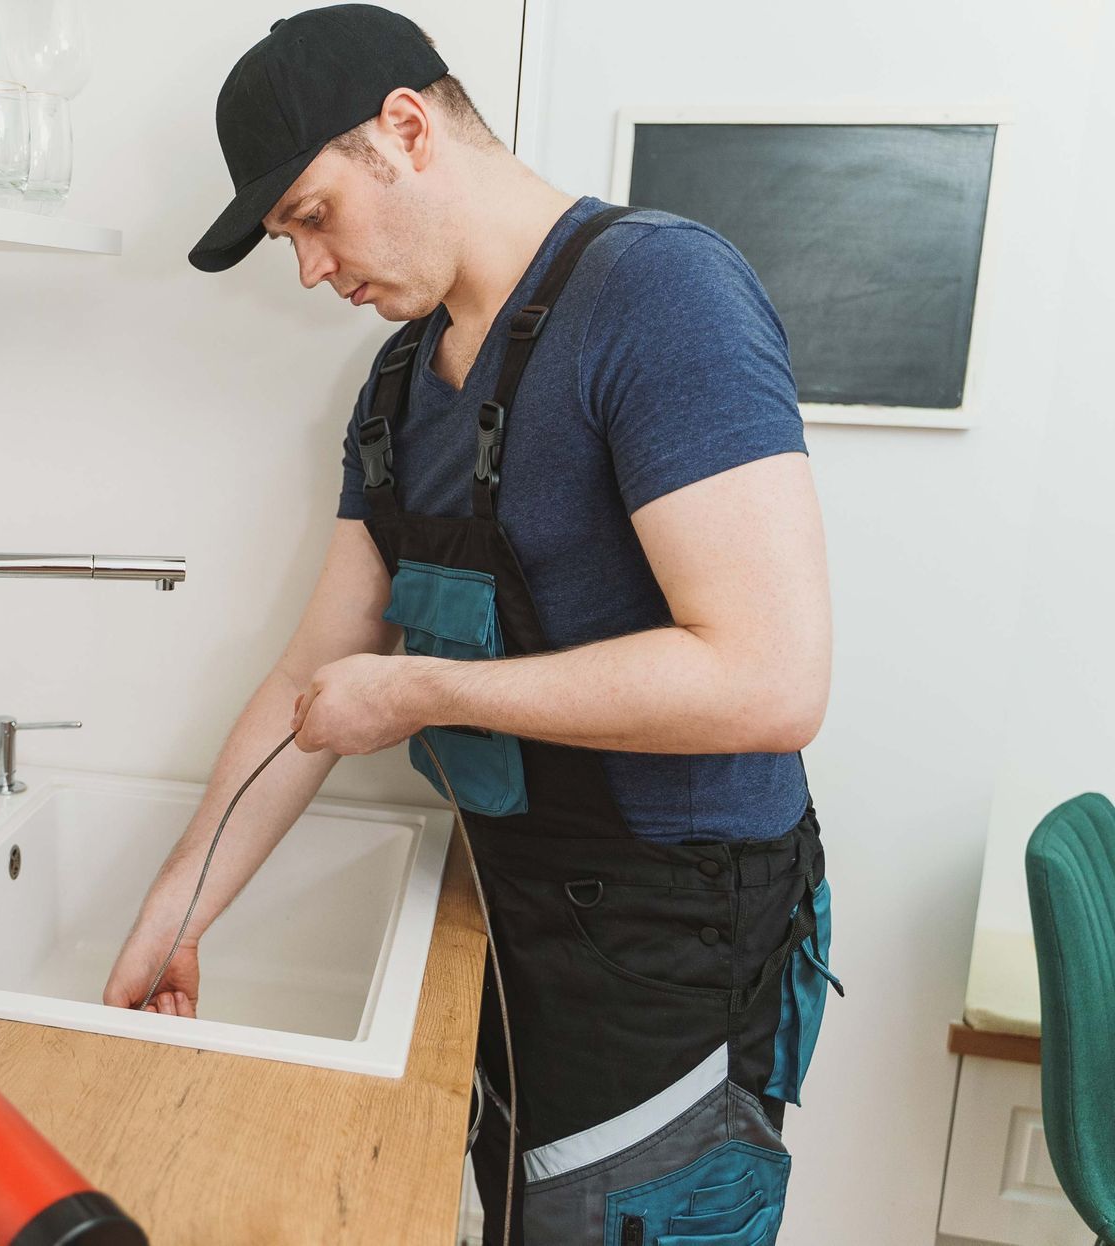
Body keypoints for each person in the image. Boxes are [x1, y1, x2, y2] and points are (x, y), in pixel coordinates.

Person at [99, 5, 842, 1243]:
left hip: (674, 955)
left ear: (405, 128)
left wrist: (425, 694)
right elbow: (316, 678)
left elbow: (771, 678)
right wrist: (173, 921)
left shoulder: (663, 293)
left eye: (315, 216)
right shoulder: (399, 384)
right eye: (291, 238)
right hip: (514, 917)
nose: (312, 271)